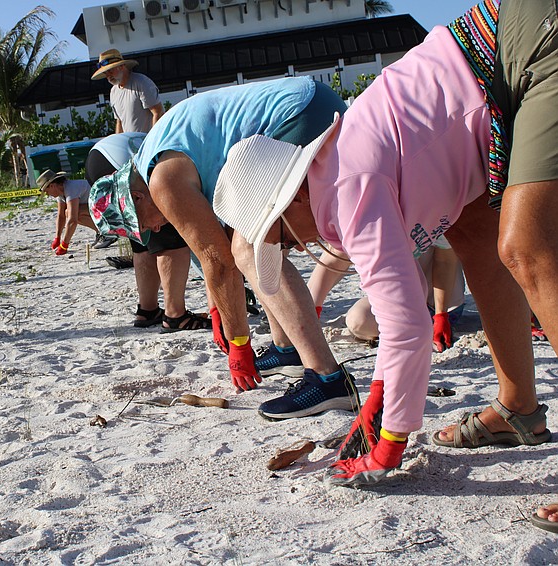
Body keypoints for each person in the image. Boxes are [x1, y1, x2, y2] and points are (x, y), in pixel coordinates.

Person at [213, 0, 555, 487]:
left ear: (289, 204)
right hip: (488, 85)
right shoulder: (335, 168)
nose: (291, 248)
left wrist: (390, 436)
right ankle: (520, 406)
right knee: (479, 240)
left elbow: (407, 326)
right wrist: (380, 390)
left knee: (531, 248)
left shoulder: (345, 189)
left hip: (523, 40)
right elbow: (403, 306)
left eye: (281, 240)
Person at [89, 77, 354, 416]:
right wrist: (218, 310)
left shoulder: (162, 179)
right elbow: (213, 249)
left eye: (143, 224)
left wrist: (239, 343)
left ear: (137, 197)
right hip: (310, 101)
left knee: (250, 247)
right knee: (257, 239)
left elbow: (220, 261)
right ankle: (286, 347)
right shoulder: (156, 159)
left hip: (299, 113)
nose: (154, 229)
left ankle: (328, 378)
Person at [85, 133, 210, 332]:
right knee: (168, 237)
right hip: (118, 161)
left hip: (97, 160)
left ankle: (148, 310)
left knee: (142, 238)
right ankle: (175, 314)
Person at [308, 238, 466, 352]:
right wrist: (308, 312)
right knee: (358, 321)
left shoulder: (431, 203)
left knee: (360, 321)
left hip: (439, 302)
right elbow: (336, 254)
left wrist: (441, 315)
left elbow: (446, 261)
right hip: (396, 297)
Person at [91, 48, 164, 251]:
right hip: (126, 151)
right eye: (106, 73)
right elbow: (119, 123)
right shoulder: (114, 92)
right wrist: (117, 142)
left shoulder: (141, 83)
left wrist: (151, 142)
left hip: (147, 145)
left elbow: (157, 111)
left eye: (111, 71)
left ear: (122, 66)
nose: (109, 76)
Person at [37, 169, 96, 256]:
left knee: (75, 214)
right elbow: (61, 216)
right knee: (67, 212)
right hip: (95, 207)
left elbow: (72, 220)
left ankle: (106, 233)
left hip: (105, 205)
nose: (47, 194)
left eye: (46, 191)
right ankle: (102, 232)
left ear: (52, 186)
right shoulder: (61, 192)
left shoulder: (70, 188)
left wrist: (64, 245)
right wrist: (57, 237)